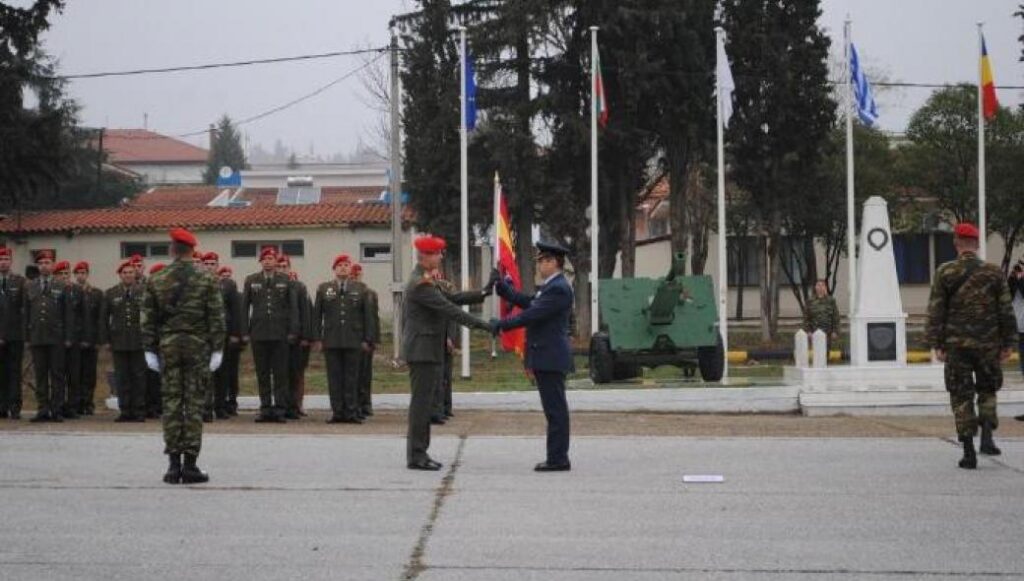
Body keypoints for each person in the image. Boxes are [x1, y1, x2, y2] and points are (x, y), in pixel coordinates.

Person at [926, 223, 1016, 469]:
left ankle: (968, 452)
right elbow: (1006, 311)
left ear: (956, 243)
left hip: (957, 346)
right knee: (987, 389)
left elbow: (936, 310)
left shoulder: (945, 272)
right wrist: (1009, 343)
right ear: (976, 244)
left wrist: (936, 343)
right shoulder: (993, 272)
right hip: (988, 344)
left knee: (961, 395)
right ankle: (987, 437)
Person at [141, 228, 225, 485]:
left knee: (172, 404)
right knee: (194, 404)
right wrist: (218, 349)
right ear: (192, 250)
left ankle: (172, 465)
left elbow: (148, 319)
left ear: (172, 250)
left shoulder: (157, 279)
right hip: (197, 347)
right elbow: (216, 317)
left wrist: (149, 349)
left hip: (169, 347)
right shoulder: (208, 278)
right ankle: (190, 465)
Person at [403, 236, 491, 470]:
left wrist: (484, 291)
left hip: (428, 349)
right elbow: (450, 308)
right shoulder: (420, 284)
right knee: (421, 405)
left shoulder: (427, 280)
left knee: (424, 402)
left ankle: (420, 452)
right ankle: (416, 455)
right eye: (438, 253)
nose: (441, 257)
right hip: (423, 351)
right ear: (426, 256)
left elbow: (452, 297)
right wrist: (483, 325)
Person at [490, 241, 575, 472]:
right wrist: (505, 290)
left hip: (550, 355)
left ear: (553, 262)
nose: (539, 265)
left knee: (555, 410)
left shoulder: (558, 288)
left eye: (542, 261)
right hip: (548, 355)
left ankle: (558, 459)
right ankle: (557, 456)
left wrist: (502, 325)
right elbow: (531, 302)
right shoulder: (552, 286)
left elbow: (534, 313)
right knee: (554, 409)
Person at [313, 254, 374, 423]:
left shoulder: (361, 288)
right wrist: (317, 338)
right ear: (334, 269)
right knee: (334, 377)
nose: (343, 268)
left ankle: (351, 412)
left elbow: (367, 316)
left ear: (350, 268)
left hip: (354, 339)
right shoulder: (324, 288)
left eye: (346, 265)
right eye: (339, 265)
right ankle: (337, 412)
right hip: (332, 339)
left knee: (352, 377)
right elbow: (317, 315)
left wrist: (367, 339)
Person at [243, 247, 298, 423]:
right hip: (259, 333)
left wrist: (293, 330)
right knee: (263, 373)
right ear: (261, 262)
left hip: (280, 333)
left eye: (271, 258)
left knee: (280, 373)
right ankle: (265, 408)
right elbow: (244, 308)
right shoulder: (251, 280)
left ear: (276, 261)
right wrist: (244, 331)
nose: (267, 261)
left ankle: (280, 409)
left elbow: (293, 308)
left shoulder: (285, 280)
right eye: (264, 259)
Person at [25, 251, 73, 422]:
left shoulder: (61, 286)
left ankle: (57, 409)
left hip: (56, 337)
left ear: (53, 265)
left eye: (47, 262)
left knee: (57, 375)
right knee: (40, 375)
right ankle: (42, 409)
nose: (44, 265)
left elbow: (68, 313)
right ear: (38, 266)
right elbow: (26, 313)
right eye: (41, 262)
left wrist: (68, 337)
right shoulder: (30, 286)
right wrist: (27, 336)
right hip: (37, 336)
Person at [100, 260, 147, 422]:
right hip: (118, 341)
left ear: (135, 274)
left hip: (139, 340)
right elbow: (104, 318)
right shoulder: (111, 293)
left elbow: (150, 316)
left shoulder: (144, 292)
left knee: (139, 377)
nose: (128, 275)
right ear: (120, 275)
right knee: (122, 377)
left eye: (131, 272)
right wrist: (106, 339)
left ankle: (139, 409)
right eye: (124, 273)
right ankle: (125, 410)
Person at [279, 255, 312, 419]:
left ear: (290, 268)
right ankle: (282, 405)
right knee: (280, 373)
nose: (282, 269)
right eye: (280, 266)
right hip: (278, 338)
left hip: (298, 339)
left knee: (296, 373)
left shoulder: (299, 287)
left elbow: (306, 312)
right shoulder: (270, 287)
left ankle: (296, 405)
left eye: (285, 266)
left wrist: (306, 336)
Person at [73, 262, 104, 416]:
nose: (81, 275)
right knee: (75, 373)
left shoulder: (96, 293)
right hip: (75, 340)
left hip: (91, 339)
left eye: (83, 272)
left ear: (87, 274)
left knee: (89, 374)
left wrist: (99, 340)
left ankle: (88, 403)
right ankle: (76, 403)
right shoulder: (70, 292)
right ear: (75, 275)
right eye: (78, 272)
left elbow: (100, 318)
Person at [0, 247, 27, 420]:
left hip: (15, 335)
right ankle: (1, 406)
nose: (3, 263)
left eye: (6, 260)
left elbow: (24, 309)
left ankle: (14, 406)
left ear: (11, 262)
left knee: (14, 372)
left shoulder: (19, 282)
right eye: (0, 260)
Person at [351, 263, 379, 418]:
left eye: (358, 275)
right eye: (353, 275)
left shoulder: (369, 293)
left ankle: (365, 403)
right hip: (352, 339)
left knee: (365, 374)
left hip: (366, 338)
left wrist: (373, 339)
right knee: (353, 374)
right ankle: (354, 403)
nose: (355, 278)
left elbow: (374, 318)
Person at [54, 260, 81, 419]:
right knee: (58, 374)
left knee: (74, 374)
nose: (64, 277)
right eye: (61, 274)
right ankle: (59, 405)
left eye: (66, 274)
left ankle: (72, 406)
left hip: (75, 338)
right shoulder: (52, 290)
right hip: (57, 338)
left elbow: (82, 315)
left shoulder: (77, 290)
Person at [217, 265, 243, 416]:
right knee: (221, 372)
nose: (226, 276)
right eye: (223, 274)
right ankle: (220, 402)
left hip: (233, 340)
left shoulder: (239, 296)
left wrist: (238, 336)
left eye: (228, 274)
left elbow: (239, 317)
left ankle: (232, 401)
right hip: (221, 338)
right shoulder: (217, 293)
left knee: (231, 373)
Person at [143, 263, 165, 418]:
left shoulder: (171, 293)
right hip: (151, 339)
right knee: (150, 376)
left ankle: (161, 406)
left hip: (167, 340)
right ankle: (151, 406)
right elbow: (145, 320)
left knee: (165, 376)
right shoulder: (147, 294)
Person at [803, 279, 840, 355]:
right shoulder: (810, 301)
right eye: (818, 285)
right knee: (816, 354)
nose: (820, 287)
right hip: (814, 332)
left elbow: (835, 317)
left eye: (822, 285)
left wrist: (835, 331)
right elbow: (806, 318)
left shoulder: (831, 301)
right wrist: (808, 331)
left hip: (828, 333)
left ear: (825, 287)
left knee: (826, 353)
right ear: (815, 287)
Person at [1008, 260, 1024, 422]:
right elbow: (1009, 293)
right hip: (1021, 329)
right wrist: (1013, 278)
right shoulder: (1019, 278)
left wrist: (1021, 278)